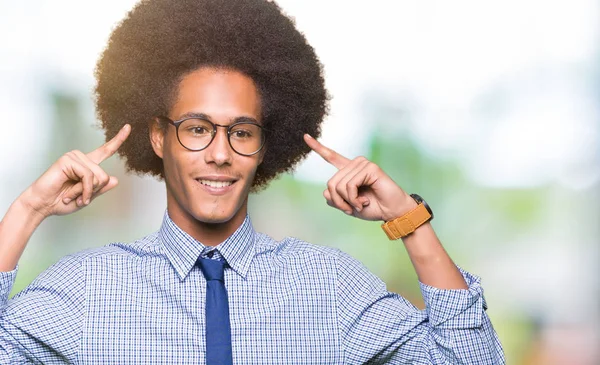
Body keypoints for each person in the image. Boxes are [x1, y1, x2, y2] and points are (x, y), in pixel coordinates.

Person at [0, 0, 505, 363]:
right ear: (158, 137)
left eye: (241, 132)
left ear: (266, 144)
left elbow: (471, 358)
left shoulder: (328, 288)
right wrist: (26, 211)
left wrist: (408, 220)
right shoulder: (87, 290)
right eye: (197, 129)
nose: (220, 154)